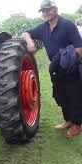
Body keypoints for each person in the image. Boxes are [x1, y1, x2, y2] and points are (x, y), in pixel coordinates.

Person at [22, 0, 82, 138]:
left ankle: (78, 125)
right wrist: (30, 42)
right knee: (60, 96)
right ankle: (69, 120)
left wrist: (71, 64)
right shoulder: (43, 28)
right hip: (56, 69)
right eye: (43, 11)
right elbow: (25, 33)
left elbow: (79, 47)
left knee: (74, 96)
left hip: (69, 68)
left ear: (55, 9)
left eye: (48, 10)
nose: (45, 13)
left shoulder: (67, 25)